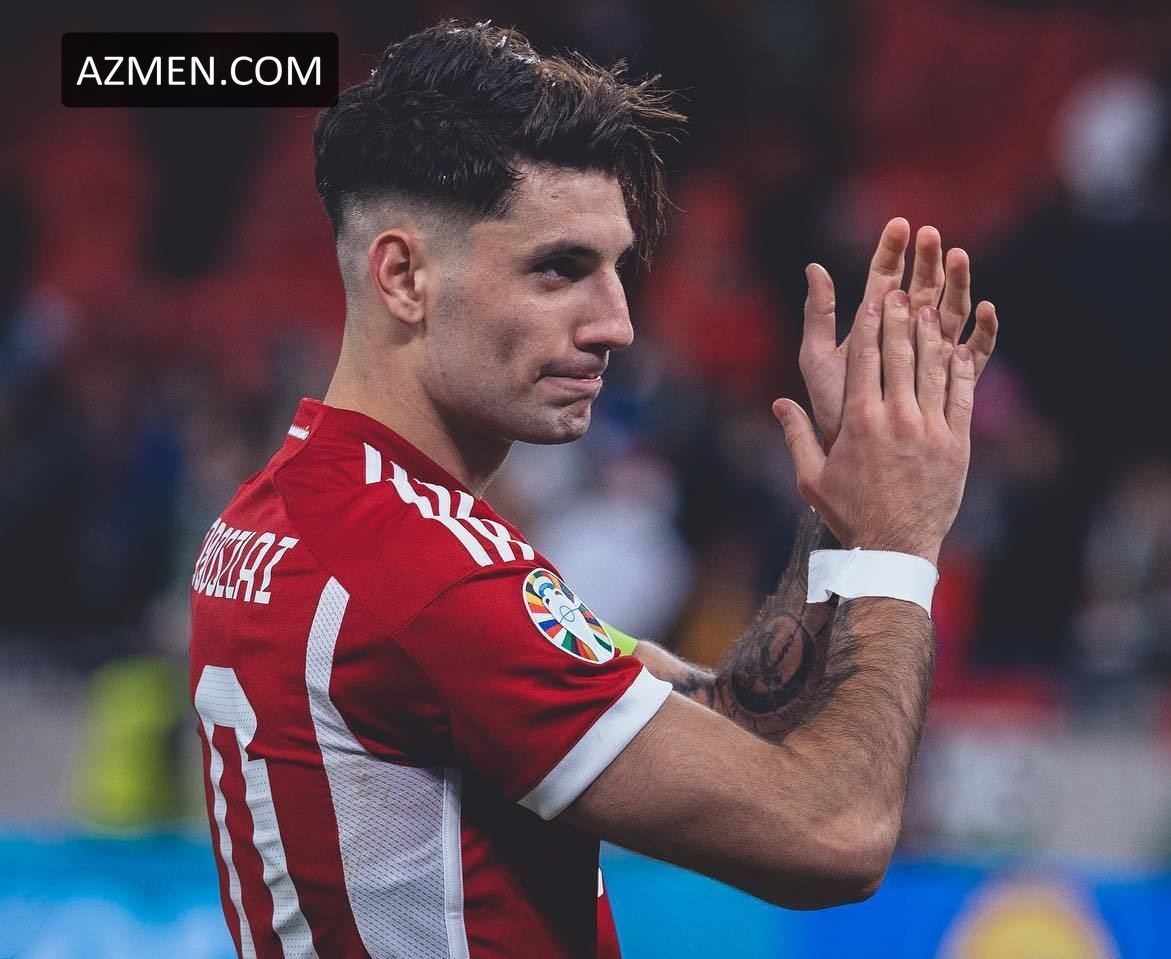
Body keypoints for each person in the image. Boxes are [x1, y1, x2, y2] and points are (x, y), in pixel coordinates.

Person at [188, 20, 999, 959]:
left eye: (618, 270)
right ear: (404, 275)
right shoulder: (424, 572)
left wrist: (842, 527)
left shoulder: (294, 508)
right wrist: (900, 541)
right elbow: (835, 835)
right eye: (559, 269)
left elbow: (734, 716)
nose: (617, 323)